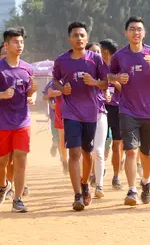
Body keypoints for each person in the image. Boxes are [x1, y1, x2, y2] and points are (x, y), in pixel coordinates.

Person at [108, 16, 150, 206]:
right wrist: (118, 78)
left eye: (139, 29)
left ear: (144, 33)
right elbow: (109, 75)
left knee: (146, 152)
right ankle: (132, 190)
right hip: (127, 109)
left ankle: (146, 182)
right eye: (132, 29)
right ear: (126, 33)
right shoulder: (120, 55)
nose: (136, 32)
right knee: (131, 151)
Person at [52, 22, 107, 211]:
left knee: (87, 151)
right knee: (74, 153)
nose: (79, 38)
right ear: (69, 39)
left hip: (91, 112)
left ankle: (85, 183)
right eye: (75, 35)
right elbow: (55, 80)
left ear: (87, 38)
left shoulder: (96, 60)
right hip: (71, 112)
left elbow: (105, 83)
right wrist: (62, 88)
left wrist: (94, 82)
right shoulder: (62, 60)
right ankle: (77, 195)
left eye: (82, 35)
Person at [0, 27, 37, 213]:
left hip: (22, 120)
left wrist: (33, 96)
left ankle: (18, 199)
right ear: (6, 45)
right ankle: (3, 185)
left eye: (21, 41)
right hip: (1, 122)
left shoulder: (27, 68)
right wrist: (2, 94)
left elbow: (31, 89)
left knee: (21, 159)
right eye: (15, 42)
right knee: (1, 161)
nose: (19, 45)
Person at [86, 41, 109, 198]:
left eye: (98, 52)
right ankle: (84, 182)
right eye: (93, 51)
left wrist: (105, 92)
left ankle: (99, 186)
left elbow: (107, 85)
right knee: (85, 153)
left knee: (98, 151)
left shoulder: (104, 70)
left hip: (100, 113)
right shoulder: (79, 70)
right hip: (80, 116)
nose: (96, 54)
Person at [101, 39, 123, 190]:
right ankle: (97, 170)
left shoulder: (121, 68)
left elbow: (125, 89)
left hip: (117, 110)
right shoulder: (97, 67)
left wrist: (114, 81)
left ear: (106, 52)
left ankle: (116, 176)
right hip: (99, 108)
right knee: (98, 143)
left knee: (117, 144)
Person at [43, 81, 68, 174]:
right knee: (57, 138)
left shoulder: (71, 79)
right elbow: (45, 96)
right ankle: (63, 158)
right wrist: (50, 103)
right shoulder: (53, 83)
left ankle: (64, 159)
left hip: (68, 114)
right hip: (55, 115)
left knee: (64, 138)